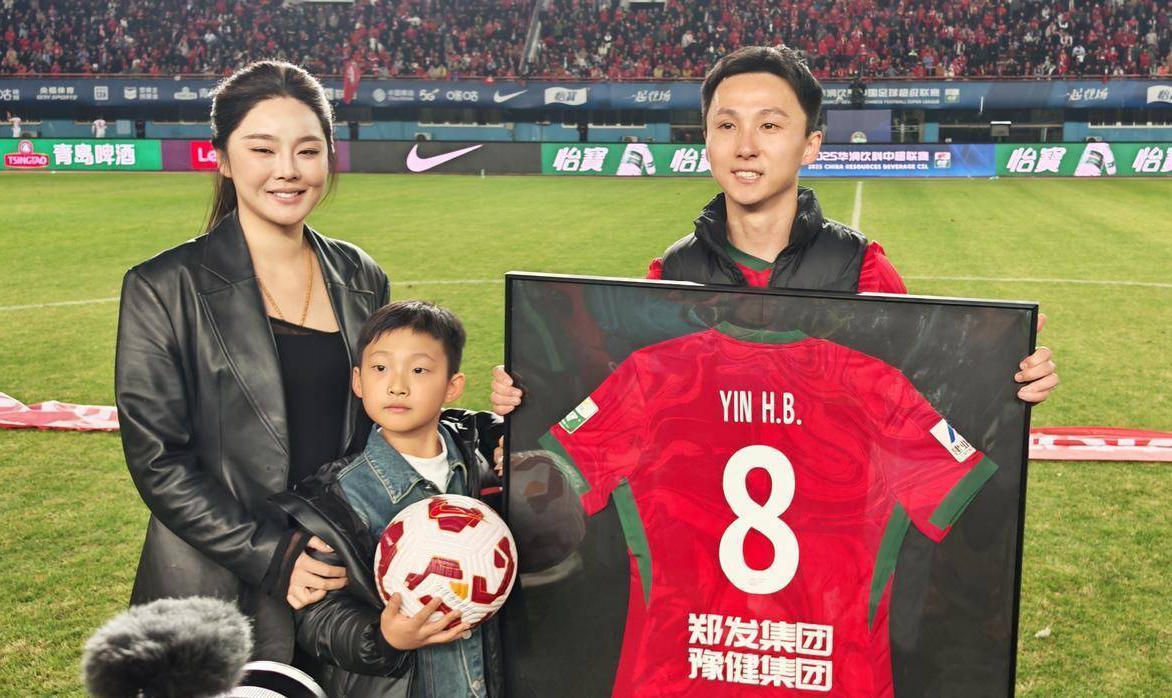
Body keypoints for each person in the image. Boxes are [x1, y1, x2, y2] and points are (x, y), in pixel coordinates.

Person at [490, 45, 1059, 417]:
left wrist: (1003, 380)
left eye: (769, 125)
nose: (745, 146)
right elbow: (627, 403)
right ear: (706, 141)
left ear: (810, 145)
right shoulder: (672, 275)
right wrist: (533, 393)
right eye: (726, 125)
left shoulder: (860, 270)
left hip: (831, 540)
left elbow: (919, 398)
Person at [115, 60, 388, 667]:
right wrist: (273, 556)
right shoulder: (163, 286)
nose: (288, 169)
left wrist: (486, 428)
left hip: (339, 584)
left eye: (307, 150)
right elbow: (159, 460)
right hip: (214, 588)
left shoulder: (362, 276)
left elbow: (386, 416)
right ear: (221, 158)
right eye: (262, 149)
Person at [271, 300, 505, 697]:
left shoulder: (479, 461)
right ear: (358, 381)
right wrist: (382, 637)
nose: (397, 385)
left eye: (419, 370)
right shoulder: (336, 497)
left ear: (452, 386)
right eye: (380, 368)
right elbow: (317, 619)